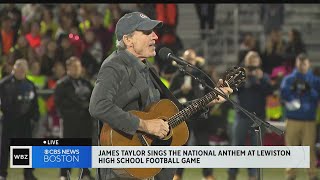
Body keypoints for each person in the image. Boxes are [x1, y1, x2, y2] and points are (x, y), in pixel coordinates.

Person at [89, 11, 233, 180]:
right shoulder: (114, 66)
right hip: (122, 168)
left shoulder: (149, 69)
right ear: (128, 40)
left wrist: (210, 100)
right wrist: (145, 125)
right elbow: (98, 105)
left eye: (154, 32)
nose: (155, 36)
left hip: (149, 168)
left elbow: (172, 113)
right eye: (147, 32)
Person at [170, 49, 214, 180]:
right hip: (183, 118)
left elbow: (213, 94)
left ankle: (208, 175)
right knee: (181, 146)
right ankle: (177, 174)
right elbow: (168, 96)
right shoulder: (177, 76)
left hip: (201, 118)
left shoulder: (203, 76)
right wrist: (180, 91)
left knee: (204, 146)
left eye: (192, 60)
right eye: (187, 59)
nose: (189, 62)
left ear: (196, 61)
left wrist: (207, 108)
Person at [228, 51, 273, 180]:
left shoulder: (264, 77)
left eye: (255, 60)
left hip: (258, 118)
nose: (253, 63)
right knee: (236, 148)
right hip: (241, 116)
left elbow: (269, 92)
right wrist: (244, 77)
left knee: (256, 150)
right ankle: (232, 174)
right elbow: (232, 91)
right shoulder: (240, 76)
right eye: (250, 60)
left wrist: (260, 79)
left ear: (259, 62)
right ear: (246, 62)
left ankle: (253, 175)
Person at [280, 53, 320, 180]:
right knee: (292, 149)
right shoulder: (289, 79)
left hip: (309, 120)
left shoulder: (315, 80)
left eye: (304, 63)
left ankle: (312, 175)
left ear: (308, 64)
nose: (302, 65)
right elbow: (283, 96)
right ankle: (291, 175)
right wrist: (292, 91)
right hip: (292, 119)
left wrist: (309, 89)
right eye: (300, 63)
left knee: (309, 150)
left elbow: (317, 97)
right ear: (296, 63)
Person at [54, 56, 94, 180]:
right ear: (68, 68)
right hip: (69, 121)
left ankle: (85, 173)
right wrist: (69, 114)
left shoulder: (87, 83)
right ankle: (64, 174)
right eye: (73, 66)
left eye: (78, 66)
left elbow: (93, 100)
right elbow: (58, 104)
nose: (76, 69)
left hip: (85, 122)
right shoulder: (62, 84)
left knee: (85, 147)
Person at [0, 59, 39, 180]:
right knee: (4, 148)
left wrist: (35, 116)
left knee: (26, 148)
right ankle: (2, 173)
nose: (21, 70)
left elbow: (34, 103)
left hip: (25, 121)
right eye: (19, 67)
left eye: (24, 68)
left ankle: (28, 174)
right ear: (14, 68)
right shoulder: (4, 83)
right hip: (8, 119)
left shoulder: (30, 85)